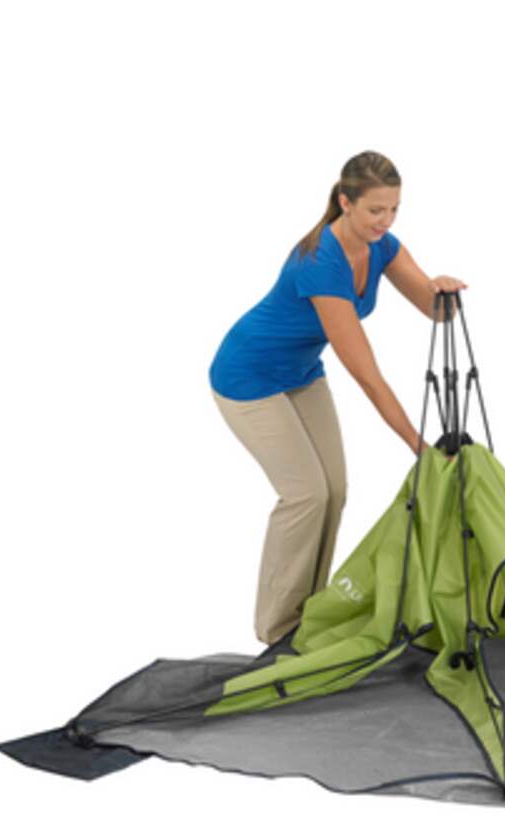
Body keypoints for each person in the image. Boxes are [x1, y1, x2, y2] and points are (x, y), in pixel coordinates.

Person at [208, 151, 466, 645]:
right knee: (307, 494)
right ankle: (276, 630)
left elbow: (436, 311)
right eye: (375, 210)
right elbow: (367, 376)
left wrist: (444, 292)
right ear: (345, 202)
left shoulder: (382, 246)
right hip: (248, 376)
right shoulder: (320, 263)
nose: (385, 221)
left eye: (394, 209)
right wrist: (419, 445)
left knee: (335, 490)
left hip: (301, 372)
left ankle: (308, 611)